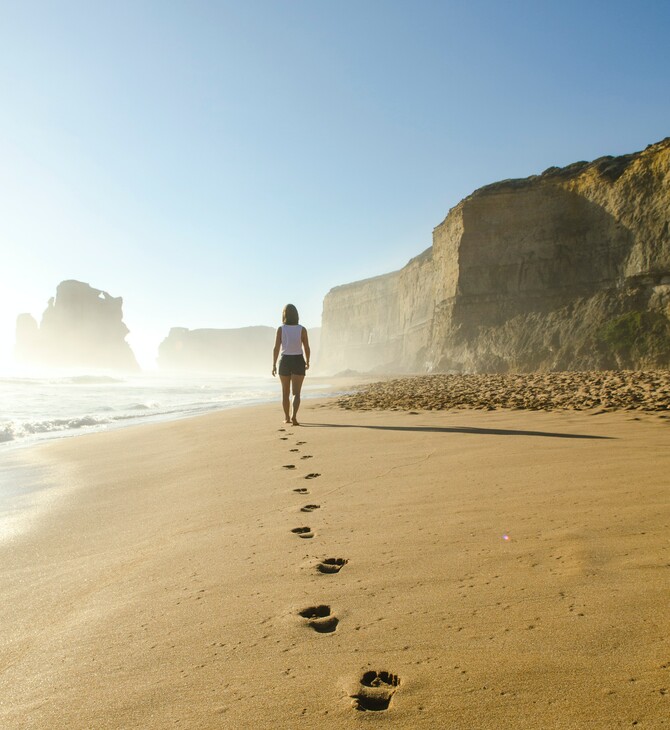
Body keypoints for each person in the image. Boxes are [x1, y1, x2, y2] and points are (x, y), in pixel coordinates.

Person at [272, 304, 310, 425]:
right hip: (298, 360)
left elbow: (276, 348)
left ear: (284, 315)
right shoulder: (302, 329)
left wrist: (273, 364)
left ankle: (287, 417)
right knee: (296, 393)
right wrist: (308, 361)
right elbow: (307, 347)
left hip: (285, 361)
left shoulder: (281, 329)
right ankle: (294, 416)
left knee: (285, 392)